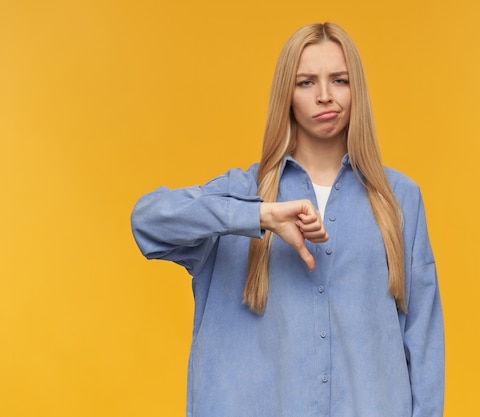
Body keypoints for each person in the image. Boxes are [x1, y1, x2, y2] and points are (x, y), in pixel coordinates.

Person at [131, 22, 444, 417]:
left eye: (340, 80)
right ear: (287, 95)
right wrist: (256, 215)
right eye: (307, 82)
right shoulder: (242, 193)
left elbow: (423, 338)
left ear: (356, 90)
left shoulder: (398, 199)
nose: (326, 96)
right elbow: (147, 222)